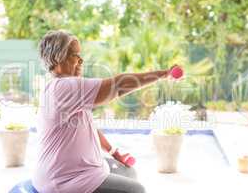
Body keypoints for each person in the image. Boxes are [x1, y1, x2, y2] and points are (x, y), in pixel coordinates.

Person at [32, 30, 175, 193]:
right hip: (64, 181)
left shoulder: (59, 88)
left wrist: (113, 151)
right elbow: (119, 85)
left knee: (129, 173)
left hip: (74, 172)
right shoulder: (63, 87)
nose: (81, 60)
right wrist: (163, 74)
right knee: (136, 190)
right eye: (74, 55)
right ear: (57, 58)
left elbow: (85, 126)